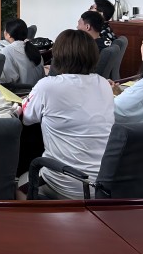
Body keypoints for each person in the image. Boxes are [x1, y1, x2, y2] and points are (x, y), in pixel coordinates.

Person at [22, 29, 114, 200]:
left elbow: (27, 118)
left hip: (66, 183)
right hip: (104, 184)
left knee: (17, 185)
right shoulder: (104, 84)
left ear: (58, 55)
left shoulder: (48, 86)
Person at [0, 19, 44, 85]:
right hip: (37, 88)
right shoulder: (33, 49)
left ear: (8, 34)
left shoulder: (7, 51)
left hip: (20, 90)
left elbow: (7, 80)